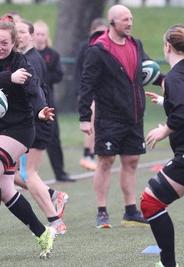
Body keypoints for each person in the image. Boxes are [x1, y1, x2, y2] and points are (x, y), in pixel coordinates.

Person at [0, 15, 57, 259]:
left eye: (4, 43)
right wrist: (10, 77)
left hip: (19, 129)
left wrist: (41, 110)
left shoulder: (23, 63)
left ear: (13, 42)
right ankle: (42, 232)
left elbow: (34, 90)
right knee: (5, 189)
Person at [78, 4, 162, 228]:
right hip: (109, 117)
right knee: (106, 162)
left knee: (131, 162)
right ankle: (102, 211)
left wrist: (164, 80)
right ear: (112, 22)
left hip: (134, 115)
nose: (130, 23)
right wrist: (85, 117)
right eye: (125, 19)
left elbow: (147, 68)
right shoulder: (98, 49)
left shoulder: (136, 44)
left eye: (131, 18)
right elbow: (87, 84)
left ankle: (130, 211)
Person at [141, 24, 184, 267]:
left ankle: (168, 264)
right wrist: (166, 101)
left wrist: (165, 129)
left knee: (150, 202)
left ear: (168, 47)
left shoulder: (176, 76)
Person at [13, 18, 67, 235]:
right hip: (31, 121)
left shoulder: (30, 61)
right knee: (7, 172)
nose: (19, 36)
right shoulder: (24, 59)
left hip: (39, 121)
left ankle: (55, 221)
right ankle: (54, 195)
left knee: (28, 173)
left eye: (23, 32)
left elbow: (33, 94)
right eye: (15, 32)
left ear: (32, 36)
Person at [33, 20, 74, 182]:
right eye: (37, 34)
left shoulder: (53, 55)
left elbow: (58, 75)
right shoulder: (27, 55)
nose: (40, 37)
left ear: (46, 36)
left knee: (53, 138)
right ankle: (19, 172)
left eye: (43, 34)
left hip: (48, 103)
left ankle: (60, 172)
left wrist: (42, 77)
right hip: (30, 104)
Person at [75, 18, 108, 171]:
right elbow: (78, 70)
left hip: (104, 91)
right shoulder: (85, 46)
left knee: (100, 122)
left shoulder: (108, 47)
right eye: (98, 32)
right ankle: (87, 154)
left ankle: (93, 152)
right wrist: (80, 92)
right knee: (92, 119)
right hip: (89, 91)